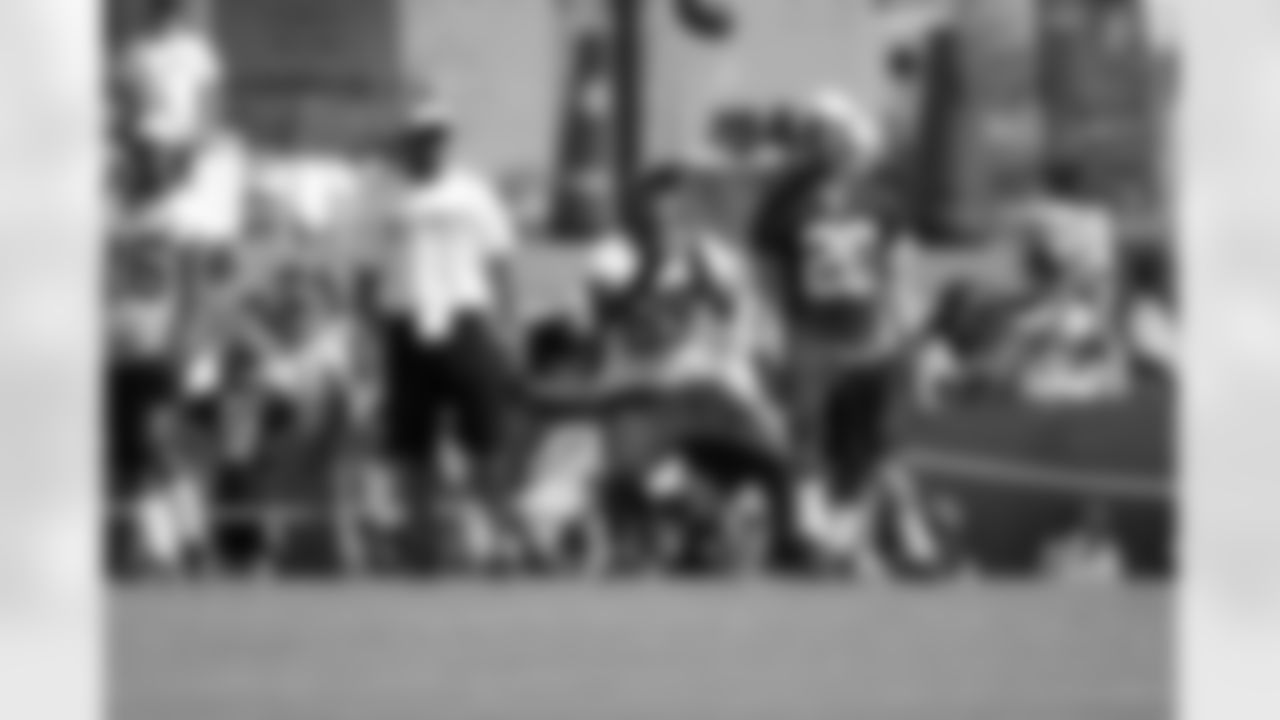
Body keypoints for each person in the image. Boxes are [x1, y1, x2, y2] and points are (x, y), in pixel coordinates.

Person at [750, 88, 939, 575]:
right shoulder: (783, 201)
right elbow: (765, 272)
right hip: (810, 334)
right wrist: (766, 329)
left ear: (849, 138)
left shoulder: (880, 198)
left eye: (832, 133)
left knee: (877, 443)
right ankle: (813, 529)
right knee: (807, 435)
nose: (824, 143)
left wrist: (911, 327)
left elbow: (900, 266)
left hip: (873, 336)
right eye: (815, 134)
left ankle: (854, 533)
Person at [373, 94, 522, 571]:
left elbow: (501, 261)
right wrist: (365, 338)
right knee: (411, 446)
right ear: (407, 142)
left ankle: (500, 541)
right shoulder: (382, 195)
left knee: (485, 440)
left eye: (439, 137)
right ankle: (421, 545)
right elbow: (363, 272)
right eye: (423, 138)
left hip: (464, 318)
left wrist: (509, 326)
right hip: (405, 319)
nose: (432, 146)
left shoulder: (473, 192)